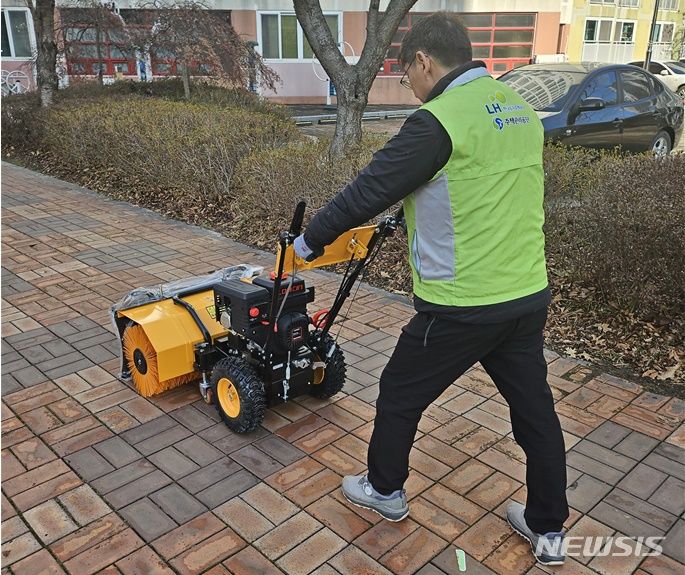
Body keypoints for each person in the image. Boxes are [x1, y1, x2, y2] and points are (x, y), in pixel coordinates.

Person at [293, 12, 569, 566]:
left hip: (462, 305)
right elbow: (477, 189)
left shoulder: (438, 121)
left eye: (408, 74)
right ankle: (548, 529)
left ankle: (384, 490)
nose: (413, 88)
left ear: (424, 61)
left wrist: (309, 242)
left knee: (398, 392)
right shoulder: (520, 110)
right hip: (526, 295)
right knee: (535, 412)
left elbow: (368, 188)